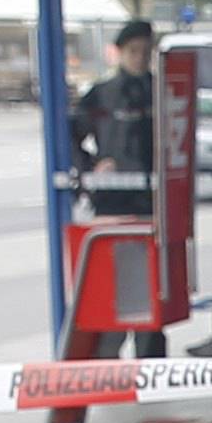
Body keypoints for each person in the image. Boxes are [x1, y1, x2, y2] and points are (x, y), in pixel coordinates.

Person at [69, 19, 165, 357]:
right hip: (113, 203)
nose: (139, 58)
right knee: (115, 288)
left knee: (152, 293)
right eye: (133, 51)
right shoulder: (103, 93)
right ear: (120, 53)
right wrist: (91, 167)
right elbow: (71, 133)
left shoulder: (161, 91)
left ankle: (151, 362)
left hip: (152, 202)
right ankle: (109, 357)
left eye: (145, 51)